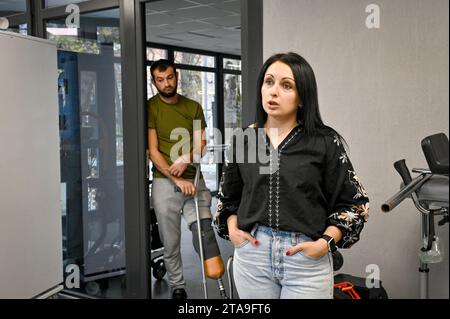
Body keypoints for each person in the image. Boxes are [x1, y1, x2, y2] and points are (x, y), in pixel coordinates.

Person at [215, 52, 370, 299]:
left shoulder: (324, 142)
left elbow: (355, 205)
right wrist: (233, 230)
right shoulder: (243, 140)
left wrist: (324, 244)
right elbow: (227, 200)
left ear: (302, 98)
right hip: (252, 257)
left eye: (286, 85)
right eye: (269, 82)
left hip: (305, 261)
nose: (273, 91)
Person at [148, 59, 224, 299]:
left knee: (204, 232)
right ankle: (177, 286)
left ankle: (219, 281)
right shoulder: (150, 107)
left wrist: (185, 159)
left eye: (169, 77)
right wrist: (176, 179)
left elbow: (201, 144)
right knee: (170, 242)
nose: (166, 83)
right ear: (154, 82)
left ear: (177, 76)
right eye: (160, 80)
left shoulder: (193, 107)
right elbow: (153, 150)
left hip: (195, 178)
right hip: (164, 182)